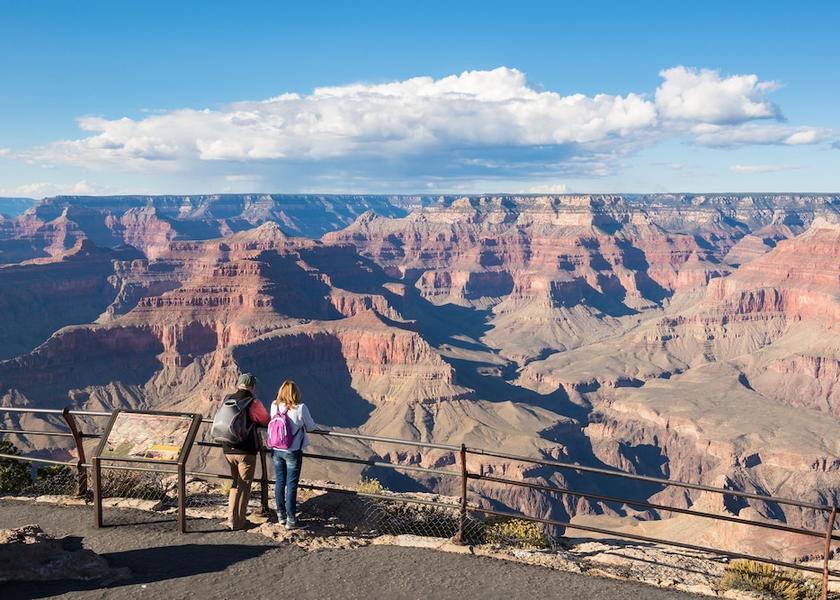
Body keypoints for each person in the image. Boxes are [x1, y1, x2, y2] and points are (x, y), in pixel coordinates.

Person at [222, 372, 270, 531]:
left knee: (235, 483)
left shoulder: (227, 399)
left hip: (227, 448)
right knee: (245, 485)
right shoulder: (253, 402)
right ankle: (239, 521)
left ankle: (230, 518)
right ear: (252, 387)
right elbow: (265, 420)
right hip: (245, 450)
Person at [270, 380, 316, 529]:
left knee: (279, 482)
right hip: (292, 451)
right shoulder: (300, 408)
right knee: (291, 485)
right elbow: (311, 426)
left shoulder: (274, 405)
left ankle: (280, 515)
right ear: (296, 393)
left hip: (276, 450)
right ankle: (291, 520)